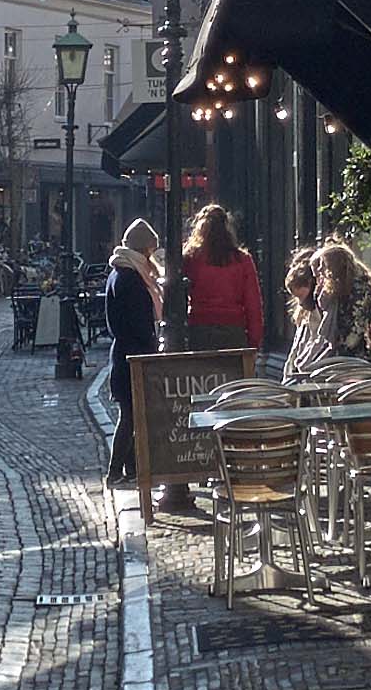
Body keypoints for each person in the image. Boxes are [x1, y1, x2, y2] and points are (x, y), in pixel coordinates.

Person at [99, 217, 165, 484]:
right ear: (143, 249)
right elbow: (137, 322)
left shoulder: (123, 272)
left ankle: (131, 469)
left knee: (131, 413)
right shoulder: (130, 277)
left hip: (125, 354)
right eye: (150, 249)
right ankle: (115, 471)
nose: (152, 255)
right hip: (132, 357)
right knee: (130, 415)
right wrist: (152, 346)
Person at [180, 204, 265, 353]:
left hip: (200, 329)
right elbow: (253, 304)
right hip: (233, 330)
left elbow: (179, 295)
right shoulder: (243, 260)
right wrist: (254, 342)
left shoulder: (191, 258)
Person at [285, 239, 371, 378]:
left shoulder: (355, 290)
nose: (320, 275)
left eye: (322, 268)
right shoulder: (330, 295)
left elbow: (349, 337)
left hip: (351, 365)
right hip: (336, 362)